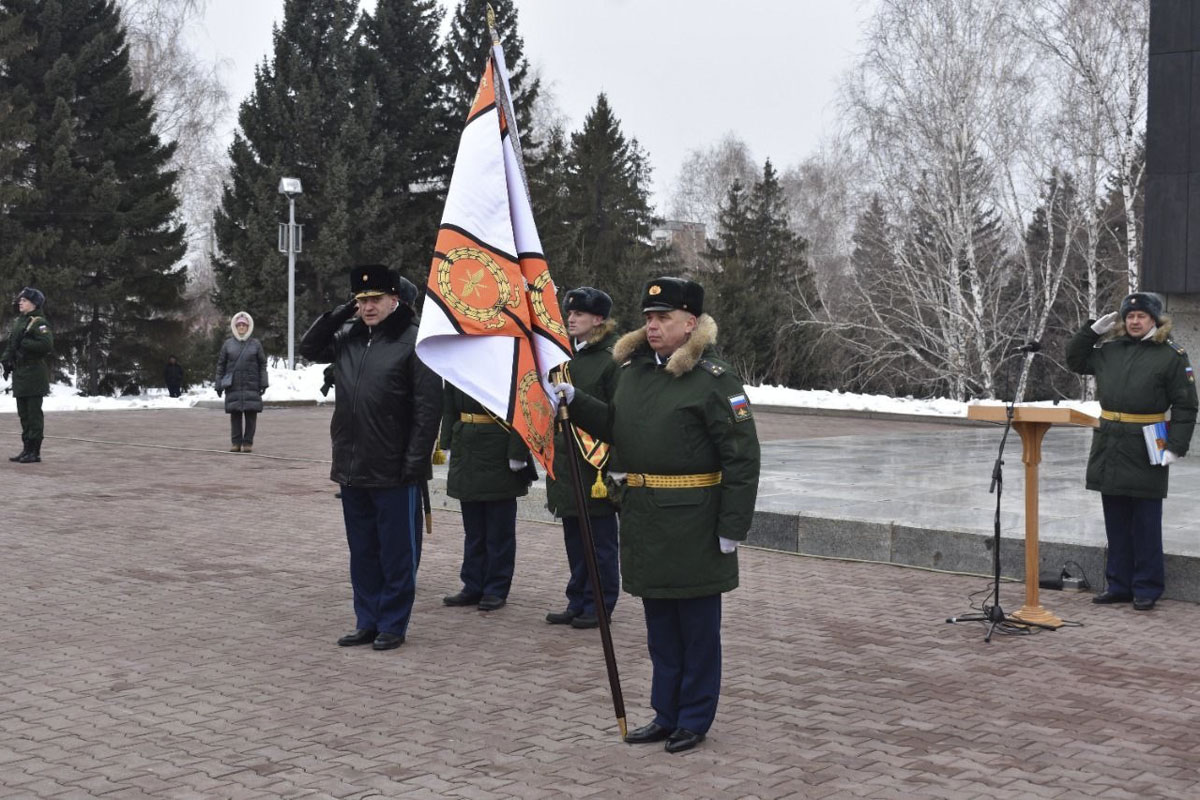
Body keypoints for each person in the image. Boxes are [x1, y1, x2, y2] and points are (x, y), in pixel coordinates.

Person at [556, 276, 760, 754]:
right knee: (661, 631)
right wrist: (576, 403)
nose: (652, 326)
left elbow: (742, 458)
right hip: (645, 518)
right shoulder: (633, 373)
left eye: (663, 318)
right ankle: (665, 713)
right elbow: (616, 426)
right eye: (648, 318)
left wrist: (732, 526)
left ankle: (694, 717)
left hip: (694, 522)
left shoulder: (714, 379)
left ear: (690, 324)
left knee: (697, 631)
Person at [299, 265, 441, 651]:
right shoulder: (348, 337)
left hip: (394, 466)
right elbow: (309, 349)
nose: (368, 307)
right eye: (361, 300)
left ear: (395, 299)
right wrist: (341, 314)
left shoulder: (414, 343)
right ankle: (368, 619)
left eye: (375, 299)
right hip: (352, 463)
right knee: (362, 551)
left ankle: (393, 623)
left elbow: (428, 411)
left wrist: (415, 462)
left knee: (396, 552)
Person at [1066, 291, 1197, 611]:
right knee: (1115, 518)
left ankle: (1147, 586)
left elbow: (1185, 405)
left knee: (1146, 521)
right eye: (1130, 316)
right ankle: (1119, 584)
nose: (1134, 321)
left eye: (1141, 316)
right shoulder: (1110, 349)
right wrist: (1091, 332)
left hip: (1148, 437)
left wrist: (1176, 447)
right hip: (1110, 437)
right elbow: (1075, 360)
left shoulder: (1171, 355)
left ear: (1154, 319)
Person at [544, 287, 621, 630]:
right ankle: (578, 599)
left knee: (599, 543)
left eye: (580, 314)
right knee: (575, 539)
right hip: (567, 461)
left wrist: (578, 401)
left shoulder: (613, 360)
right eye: (570, 313)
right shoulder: (563, 358)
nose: (571, 318)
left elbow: (617, 417)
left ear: (599, 319)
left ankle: (600, 603)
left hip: (596, 466)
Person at [439, 382, 535, 612]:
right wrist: (447, 441)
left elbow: (522, 405)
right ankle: (473, 584)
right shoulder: (461, 361)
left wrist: (517, 451)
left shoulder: (505, 358)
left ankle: (496, 587)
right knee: (474, 530)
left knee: (498, 530)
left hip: (498, 447)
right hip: (466, 445)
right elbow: (449, 403)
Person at [2, 287, 54, 464]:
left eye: (24, 300)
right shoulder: (20, 322)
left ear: (34, 303)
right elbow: (12, 344)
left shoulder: (39, 322)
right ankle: (26, 449)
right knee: (23, 414)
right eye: (20, 300)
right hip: (21, 374)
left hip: (33, 374)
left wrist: (26, 344)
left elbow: (46, 345)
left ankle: (35, 451)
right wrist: (6, 360)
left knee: (33, 415)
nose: (20, 303)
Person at [214, 311, 268, 453]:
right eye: (239, 325)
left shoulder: (256, 344)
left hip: (252, 384)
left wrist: (263, 382)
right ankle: (236, 443)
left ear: (248, 326)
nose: (242, 327)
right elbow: (221, 365)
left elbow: (262, 364)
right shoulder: (228, 345)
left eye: (244, 325)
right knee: (235, 415)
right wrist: (218, 384)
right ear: (235, 327)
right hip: (234, 385)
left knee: (251, 416)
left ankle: (248, 443)